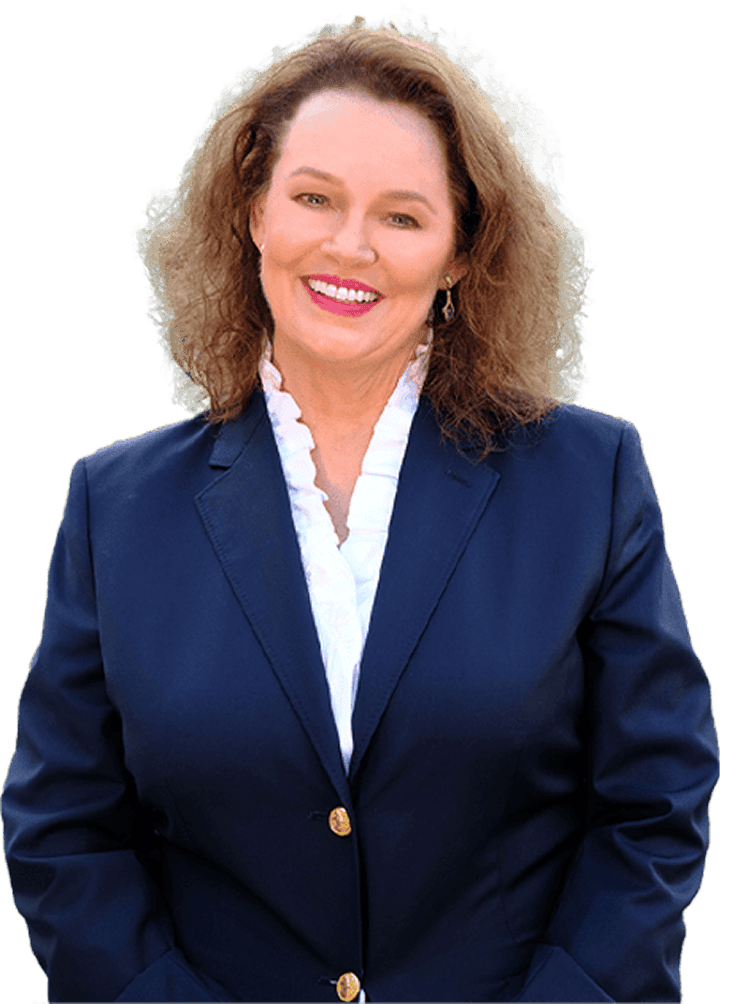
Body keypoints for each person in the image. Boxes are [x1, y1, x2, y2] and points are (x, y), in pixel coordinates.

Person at [1, 15, 719, 1004]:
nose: (350, 244)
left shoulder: (586, 479)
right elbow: (64, 828)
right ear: (252, 211)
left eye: (401, 215)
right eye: (313, 197)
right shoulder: (114, 509)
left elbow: (652, 802)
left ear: (461, 251)